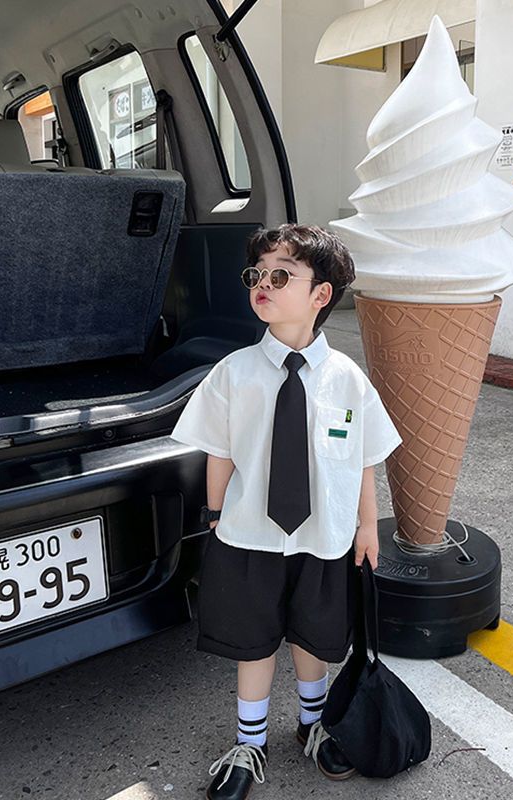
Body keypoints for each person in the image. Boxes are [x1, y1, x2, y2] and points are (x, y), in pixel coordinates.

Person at [169, 224, 402, 800]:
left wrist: (367, 526)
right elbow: (219, 453)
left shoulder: (347, 379)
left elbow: (362, 460)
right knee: (253, 640)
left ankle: (312, 724)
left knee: (315, 638)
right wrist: (217, 516)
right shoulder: (234, 372)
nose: (263, 285)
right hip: (249, 537)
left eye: (281, 275)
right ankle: (251, 742)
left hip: (323, 539)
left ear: (321, 295)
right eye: (257, 275)